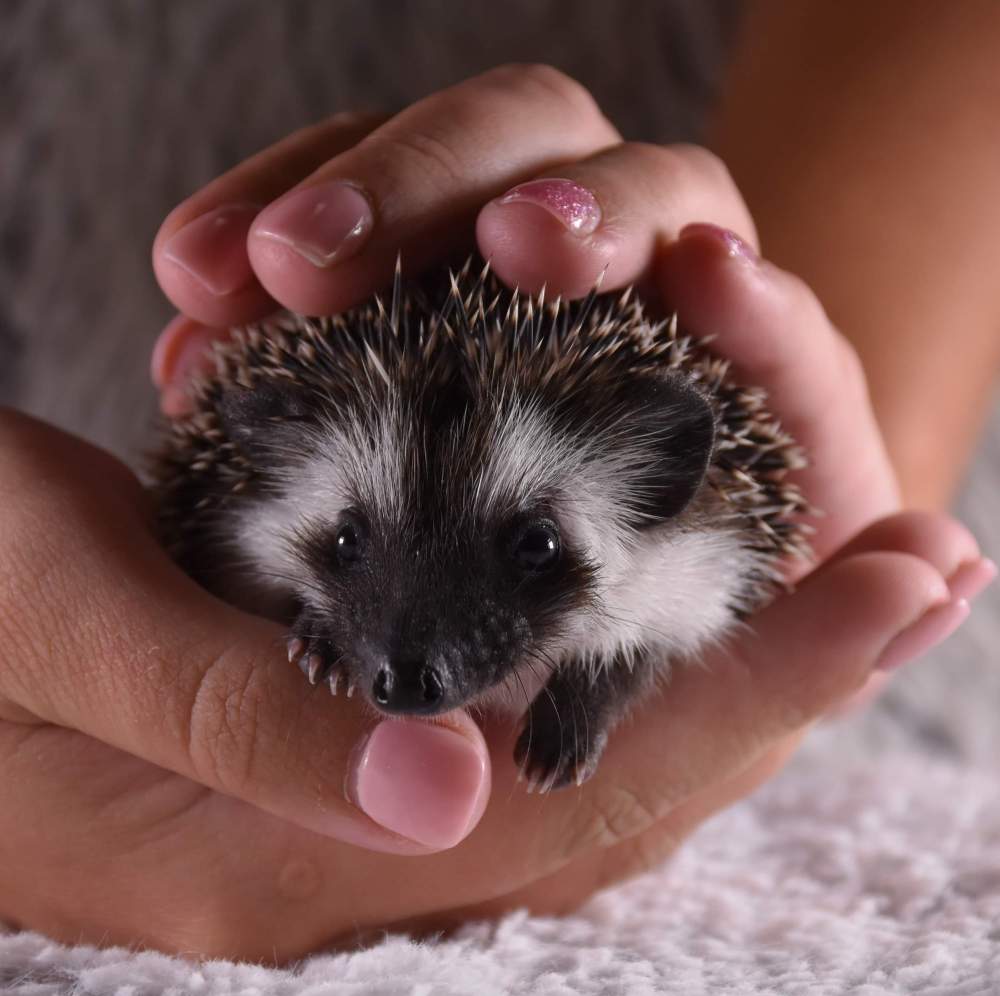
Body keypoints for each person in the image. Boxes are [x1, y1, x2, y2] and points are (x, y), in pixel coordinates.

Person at [1, 4, 998, 962]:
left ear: (658, 489)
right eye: (348, 547)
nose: (404, 661)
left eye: (531, 548)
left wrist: (854, 519)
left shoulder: (689, 551)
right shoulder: (259, 523)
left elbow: (749, 556)